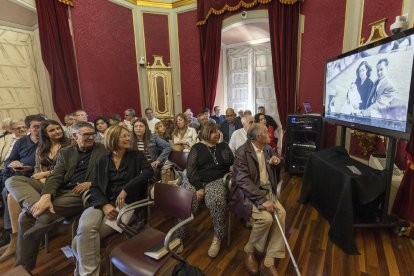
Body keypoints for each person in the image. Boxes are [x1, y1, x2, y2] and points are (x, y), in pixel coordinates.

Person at [6, 121, 106, 272]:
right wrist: (45, 196)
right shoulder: (67, 152)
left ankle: (22, 268)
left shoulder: (103, 150)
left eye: (93, 134)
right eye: (86, 135)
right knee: (13, 180)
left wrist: (91, 183)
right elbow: (56, 176)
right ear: (75, 136)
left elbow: (110, 174)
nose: (91, 137)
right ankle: (41, 210)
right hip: (59, 190)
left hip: (79, 193)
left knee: (25, 217)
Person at [72, 125, 153, 276]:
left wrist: (126, 188)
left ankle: (82, 273)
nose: (128, 138)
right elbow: (95, 186)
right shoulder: (102, 160)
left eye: (128, 136)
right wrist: (105, 206)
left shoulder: (136, 156)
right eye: (124, 136)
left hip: (126, 204)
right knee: (85, 231)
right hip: (99, 203)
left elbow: (149, 171)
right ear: (113, 138)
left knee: (79, 241)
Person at [2, 120, 69, 261]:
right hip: (42, 181)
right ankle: (15, 238)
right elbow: (37, 170)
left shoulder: (70, 145)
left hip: (62, 182)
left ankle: (36, 219)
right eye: (52, 130)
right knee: (11, 193)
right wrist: (39, 176)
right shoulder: (41, 148)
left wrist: (46, 174)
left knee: (18, 203)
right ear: (45, 133)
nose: (56, 132)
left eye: (58, 129)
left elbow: (68, 170)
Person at [229, 124, 285, 276]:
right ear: (258, 137)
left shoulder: (267, 148)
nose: (270, 134)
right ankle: (249, 249)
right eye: (266, 132)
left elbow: (278, 164)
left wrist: (276, 161)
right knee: (266, 219)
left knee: (282, 214)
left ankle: (268, 261)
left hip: (267, 191)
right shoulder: (242, 152)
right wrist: (262, 200)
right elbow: (242, 180)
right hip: (248, 194)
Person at [186, 122, 234, 258]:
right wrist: (199, 187)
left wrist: (222, 144)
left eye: (218, 131)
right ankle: (179, 233)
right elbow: (191, 170)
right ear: (206, 133)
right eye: (213, 132)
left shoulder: (223, 146)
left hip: (218, 179)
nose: (217, 134)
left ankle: (218, 236)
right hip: (198, 180)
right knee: (186, 198)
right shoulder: (197, 147)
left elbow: (230, 161)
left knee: (216, 201)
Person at [0, 115, 45, 248]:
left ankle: (11, 232)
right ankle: (15, 232)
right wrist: (13, 163)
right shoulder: (21, 142)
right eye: (35, 127)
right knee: (6, 189)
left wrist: (30, 168)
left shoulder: (46, 141)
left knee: (7, 191)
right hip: (17, 173)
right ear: (28, 128)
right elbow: (9, 160)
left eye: (41, 126)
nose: (39, 129)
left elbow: (47, 165)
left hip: (33, 175)